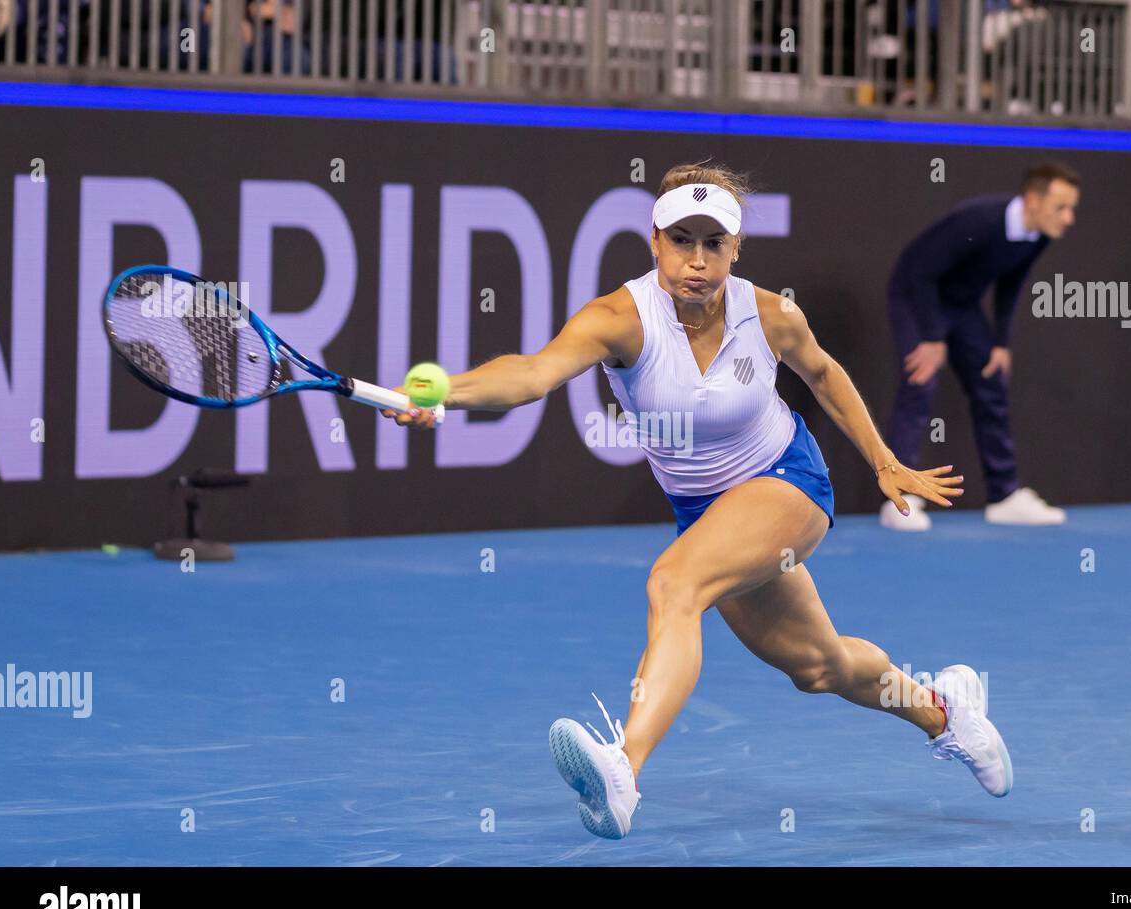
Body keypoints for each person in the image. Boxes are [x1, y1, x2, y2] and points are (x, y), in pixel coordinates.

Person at [382, 162, 1012, 839]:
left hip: (787, 483)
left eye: (714, 244)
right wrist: (446, 390)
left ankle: (623, 770)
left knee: (673, 583)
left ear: (736, 250)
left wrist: (884, 462)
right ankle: (947, 714)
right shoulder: (619, 320)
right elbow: (532, 374)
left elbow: (824, 375)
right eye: (682, 240)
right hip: (707, 513)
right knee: (818, 666)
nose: (697, 260)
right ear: (654, 240)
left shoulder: (771, 315)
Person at [883, 161, 1079, 532]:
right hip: (915, 294)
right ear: (1033, 201)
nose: (1069, 218)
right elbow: (920, 272)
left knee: (991, 382)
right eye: (1061, 207)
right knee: (920, 384)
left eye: (1072, 208)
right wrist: (932, 338)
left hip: (961, 305)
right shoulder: (979, 220)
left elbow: (1011, 283)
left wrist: (1001, 342)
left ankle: (1003, 497)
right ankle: (901, 496)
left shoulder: (1039, 233)